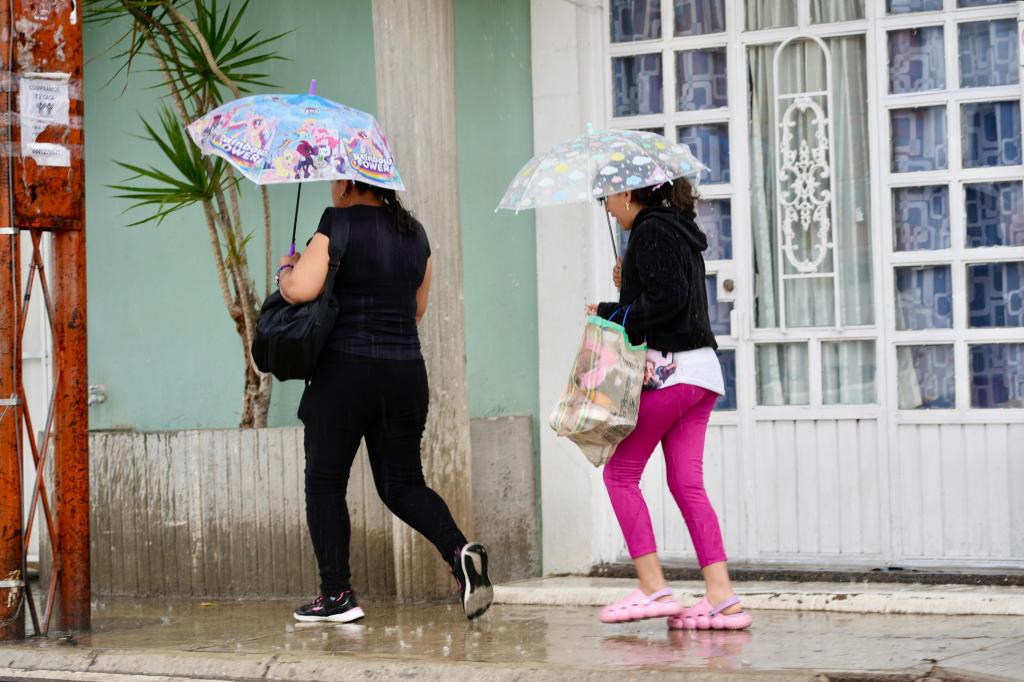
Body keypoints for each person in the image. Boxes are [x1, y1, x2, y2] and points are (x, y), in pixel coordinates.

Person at [276, 179, 493, 623]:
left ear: (348, 183)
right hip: (405, 373)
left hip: (344, 372)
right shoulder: (416, 233)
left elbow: (299, 290)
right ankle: (457, 550)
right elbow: (416, 310)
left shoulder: (336, 223)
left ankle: (337, 594)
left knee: (325, 482)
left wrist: (286, 270)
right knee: (402, 485)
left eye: (337, 179)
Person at [587, 178, 751, 631]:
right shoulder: (677, 227)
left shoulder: (650, 230)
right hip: (701, 374)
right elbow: (669, 295)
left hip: (671, 373)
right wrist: (629, 284)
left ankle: (652, 585)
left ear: (628, 195)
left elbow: (667, 300)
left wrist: (609, 310)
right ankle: (722, 598)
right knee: (686, 483)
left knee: (620, 474)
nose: (608, 208)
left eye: (608, 198)